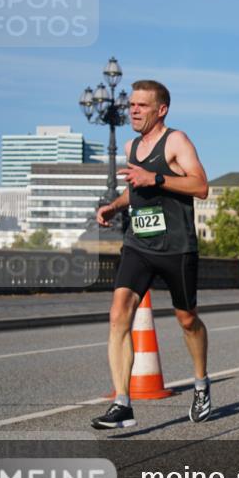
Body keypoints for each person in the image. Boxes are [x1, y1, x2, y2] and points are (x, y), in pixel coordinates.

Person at [91, 80, 211, 429]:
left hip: (177, 247)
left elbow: (200, 186)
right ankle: (122, 403)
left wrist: (156, 177)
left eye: (142, 105)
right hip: (138, 244)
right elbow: (136, 190)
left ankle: (201, 384)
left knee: (187, 320)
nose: (133, 110)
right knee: (118, 315)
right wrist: (114, 206)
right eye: (131, 105)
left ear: (162, 110)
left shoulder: (176, 140)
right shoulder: (130, 146)